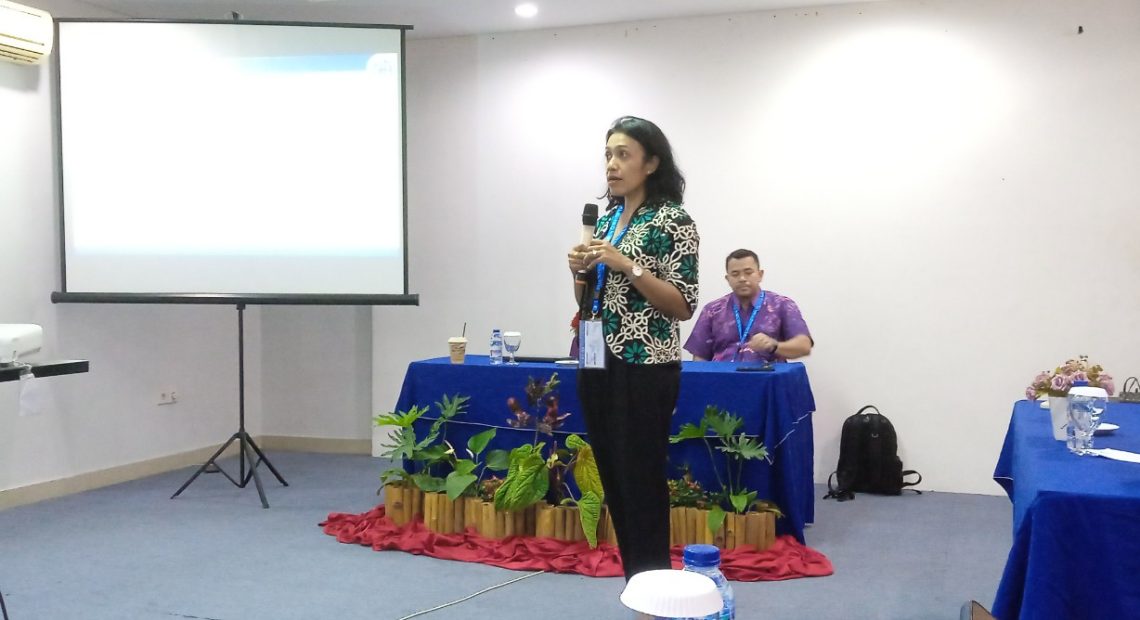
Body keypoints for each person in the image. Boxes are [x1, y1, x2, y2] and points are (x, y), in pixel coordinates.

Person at [565, 116, 699, 580]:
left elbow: (683, 304)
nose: (612, 165)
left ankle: (653, 581)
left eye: (623, 155)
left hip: (644, 366)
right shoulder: (606, 221)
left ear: (652, 163)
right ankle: (637, 581)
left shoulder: (673, 220)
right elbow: (588, 301)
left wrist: (627, 265)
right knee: (615, 479)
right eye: (608, 155)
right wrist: (579, 272)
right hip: (596, 358)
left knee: (640, 478)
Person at [684, 249, 812, 362]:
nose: (742, 278)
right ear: (727, 279)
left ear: (760, 275)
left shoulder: (782, 305)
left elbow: (804, 346)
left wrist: (774, 345)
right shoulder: (712, 310)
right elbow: (699, 357)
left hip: (766, 378)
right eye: (735, 274)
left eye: (748, 272)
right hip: (721, 379)